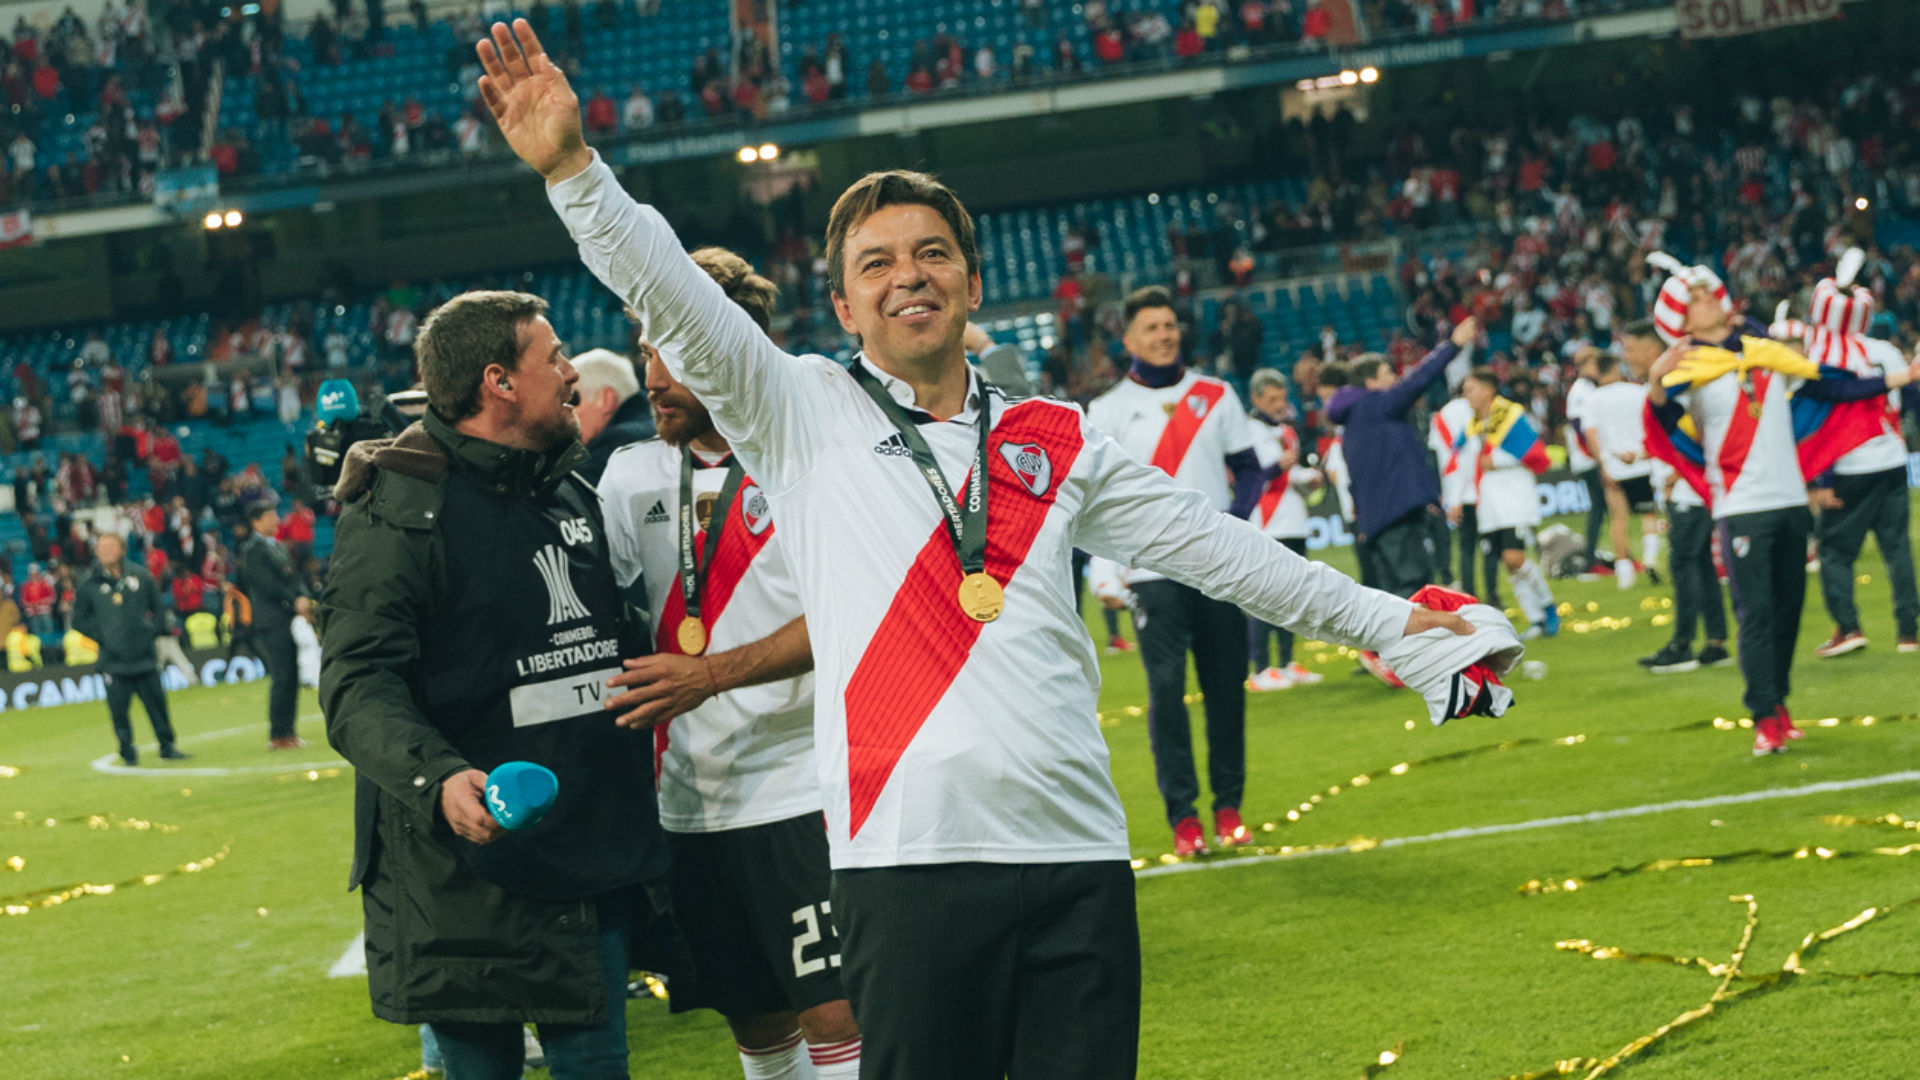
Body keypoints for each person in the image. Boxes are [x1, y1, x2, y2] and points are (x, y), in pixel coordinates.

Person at [478, 21, 1476, 1077]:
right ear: (843, 302)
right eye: (877, 263)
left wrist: (1399, 630)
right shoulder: (796, 407)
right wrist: (571, 169)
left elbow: (1219, 549)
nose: (908, 276)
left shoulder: (1056, 436)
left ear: (970, 281)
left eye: (931, 254)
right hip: (904, 862)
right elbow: (671, 289)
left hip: (1074, 850)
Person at [319, 289, 671, 1079]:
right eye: (552, 358)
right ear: (498, 382)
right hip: (460, 874)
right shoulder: (398, 506)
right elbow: (354, 680)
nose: (573, 372)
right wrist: (436, 777)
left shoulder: (568, 486)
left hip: (587, 851)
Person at [598, 246, 863, 1080]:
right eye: (644, 350)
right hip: (692, 804)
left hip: (806, 786)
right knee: (755, 1023)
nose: (653, 374)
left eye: (669, 350)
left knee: (838, 1009)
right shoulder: (627, 474)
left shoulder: (809, 461)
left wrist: (711, 674)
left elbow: (856, 615)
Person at [1642, 257, 1914, 755]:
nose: (1711, 299)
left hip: (1791, 499)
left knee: (1789, 611)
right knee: (1757, 615)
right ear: (1682, 318)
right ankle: (1763, 715)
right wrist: (1657, 384)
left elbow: (1828, 386)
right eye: (1698, 297)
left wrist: (1901, 379)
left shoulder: (1763, 351)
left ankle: (1780, 704)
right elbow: (1664, 427)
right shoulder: (1685, 368)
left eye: (1710, 292)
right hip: (1741, 504)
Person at [1086, 285, 1272, 856]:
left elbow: (1250, 472)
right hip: (1150, 574)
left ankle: (1229, 807)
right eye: (1151, 328)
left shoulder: (1218, 395)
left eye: (1170, 325)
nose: (1164, 335)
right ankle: (1184, 818)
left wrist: (1229, 531)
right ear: (1129, 339)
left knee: (1225, 690)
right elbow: (1096, 499)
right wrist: (1106, 570)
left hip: (1217, 571)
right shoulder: (1107, 410)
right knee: (1166, 694)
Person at [1789, 255, 1920, 658]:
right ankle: (1908, 633)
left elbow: (1824, 422)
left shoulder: (1823, 357)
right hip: (1892, 457)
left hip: (1849, 465)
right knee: (1897, 548)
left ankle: (1848, 627)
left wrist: (1822, 481)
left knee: (1834, 550)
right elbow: (1911, 400)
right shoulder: (1884, 349)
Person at [1323, 320, 1478, 599]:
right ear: (1371, 382)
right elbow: (1419, 380)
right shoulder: (1375, 405)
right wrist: (1453, 345)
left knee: (1395, 592)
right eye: (1386, 374)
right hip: (1396, 514)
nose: (1393, 379)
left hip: (1379, 519)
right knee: (1414, 588)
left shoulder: (1354, 421)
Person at [1456, 369, 1559, 640]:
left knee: (1516, 557)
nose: (1467, 395)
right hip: (1489, 502)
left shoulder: (1511, 417)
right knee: (1507, 562)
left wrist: (1498, 461)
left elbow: (1537, 456)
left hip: (1514, 497)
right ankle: (1535, 619)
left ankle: (1548, 606)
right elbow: (1460, 458)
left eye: (1471, 388)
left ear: (1489, 390)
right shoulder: (1474, 424)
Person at [71, 533, 190, 766]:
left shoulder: (140, 575)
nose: (105, 550)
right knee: (119, 711)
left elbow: (158, 608)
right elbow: (78, 620)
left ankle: (167, 746)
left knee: (157, 704)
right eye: (100, 546)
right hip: (113, 660)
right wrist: (103, 634)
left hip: (144, 656)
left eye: (110, 545)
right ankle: (127, 751)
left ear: (122, 549)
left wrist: (150, 632)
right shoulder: (89, 583)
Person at [1245, 368, 1325, 692]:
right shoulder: (1246, 430)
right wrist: (1284, 467)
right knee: (1264, 596)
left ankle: (1287, 662)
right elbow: (1253, 476)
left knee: (1293, 595)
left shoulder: (1287, 432)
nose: (1280, 404)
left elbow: (1291, 477)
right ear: (1257, 398)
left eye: (1282, 397)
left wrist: (1308, 478)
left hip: (1294, 521)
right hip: (1266, 523)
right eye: (1273, 398)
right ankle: (1261, 668)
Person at [1569, 343, 1661, 590]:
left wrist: (1603, 463)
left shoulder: (1592, 399)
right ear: (1617, 368)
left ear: (1597, 372)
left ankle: (1624, 574)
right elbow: (1652, 425)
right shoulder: (1638, 391)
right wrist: (1643, 452)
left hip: (1614, 465)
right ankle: (1651, 558)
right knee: (1648, 513)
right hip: (1641, 462)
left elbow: (1591, 434)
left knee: (1618, 518)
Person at [238, 503, 310, 749]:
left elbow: (294, 577)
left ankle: (288, 731)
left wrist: (303, 596)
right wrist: (294, 599)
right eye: (270, 516)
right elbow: (267, 584)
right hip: (271, 621)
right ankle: (278, 733)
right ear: (256, 522)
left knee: (291, 675)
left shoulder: (277, 546)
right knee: (282, 675)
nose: (275, 520)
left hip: (288, 617)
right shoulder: (252, 550)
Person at [569, 346, 653, 484]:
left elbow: (575, 493)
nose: (568, 410)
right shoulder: (649, 430)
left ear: (606, 400)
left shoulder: (619, 442)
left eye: (574, 400)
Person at [1564, 351, 1609, 575]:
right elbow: (1579, 427)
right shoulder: (1581, 391)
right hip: (1588, 459)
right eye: (1594, 362)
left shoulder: (1587, 388)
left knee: (1602, 507)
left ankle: (1597, 557)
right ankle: (1591, 559)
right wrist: (1595, 455)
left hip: (1590, 457)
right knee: (1600, 507)